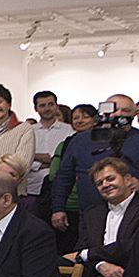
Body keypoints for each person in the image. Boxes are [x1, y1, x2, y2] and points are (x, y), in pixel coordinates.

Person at [51, 94, 139, 234]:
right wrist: (58, 208)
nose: (118, 114)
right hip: (91, 212)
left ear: (133, 115)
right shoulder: (80, 140)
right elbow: (64, 176)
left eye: (125, 111)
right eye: (114, 109)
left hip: (135, 214)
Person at [46, 103, 98, 253]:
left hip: (95, 203)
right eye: (76, 117)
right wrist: (58, 207)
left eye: (85, 117)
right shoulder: (67, 143)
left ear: (96, 120)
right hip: (71, 205)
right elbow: (57, 174)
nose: (80, 120)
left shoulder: (107, 141)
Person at [25, 91, 73, 216]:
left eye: (50, 104)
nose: (47, 109)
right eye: (42, 105)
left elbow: (66, 158)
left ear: (56, 106)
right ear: (36, 108)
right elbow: (23, 158)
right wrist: (42, 162)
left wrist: (35, 156)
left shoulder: (68, 130)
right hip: (32, 188)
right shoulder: (28, 131)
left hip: (59, 189)